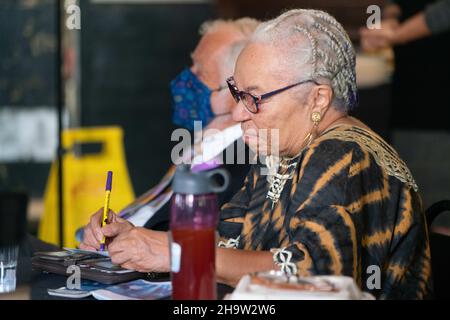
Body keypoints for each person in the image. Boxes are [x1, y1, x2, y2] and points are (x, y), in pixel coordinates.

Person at [81, 9, 432, 299]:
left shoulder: (342, 156)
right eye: (236, 92)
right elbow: (228, 239)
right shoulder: (280, 149)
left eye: (255, 97)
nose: (237, 113)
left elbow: (311, 275)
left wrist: (178, 254)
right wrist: (144, 241)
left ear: (318, 99)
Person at [79, 18, 259, 246]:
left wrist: (126, 239)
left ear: (232, 92)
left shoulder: (242, 161)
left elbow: (193, 242)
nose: (184, 80)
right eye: (191, 65)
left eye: (200, 73)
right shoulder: (202, 147)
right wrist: (115, 229)